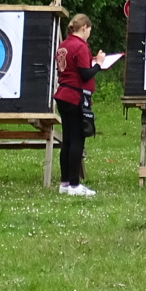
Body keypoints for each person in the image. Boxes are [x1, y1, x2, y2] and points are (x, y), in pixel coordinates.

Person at [54, 14, 113, 196]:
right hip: (75, 96)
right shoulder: (80, 46)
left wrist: (91, 62)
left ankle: (64, 183)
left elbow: (71, 68)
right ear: (84, 27)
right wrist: (99, 64)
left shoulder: (63, 45)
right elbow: (85, 74)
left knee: (67, 140)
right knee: (77, 139)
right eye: (89, 30)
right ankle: (74, 185)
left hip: (63, 94)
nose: (89, 34)